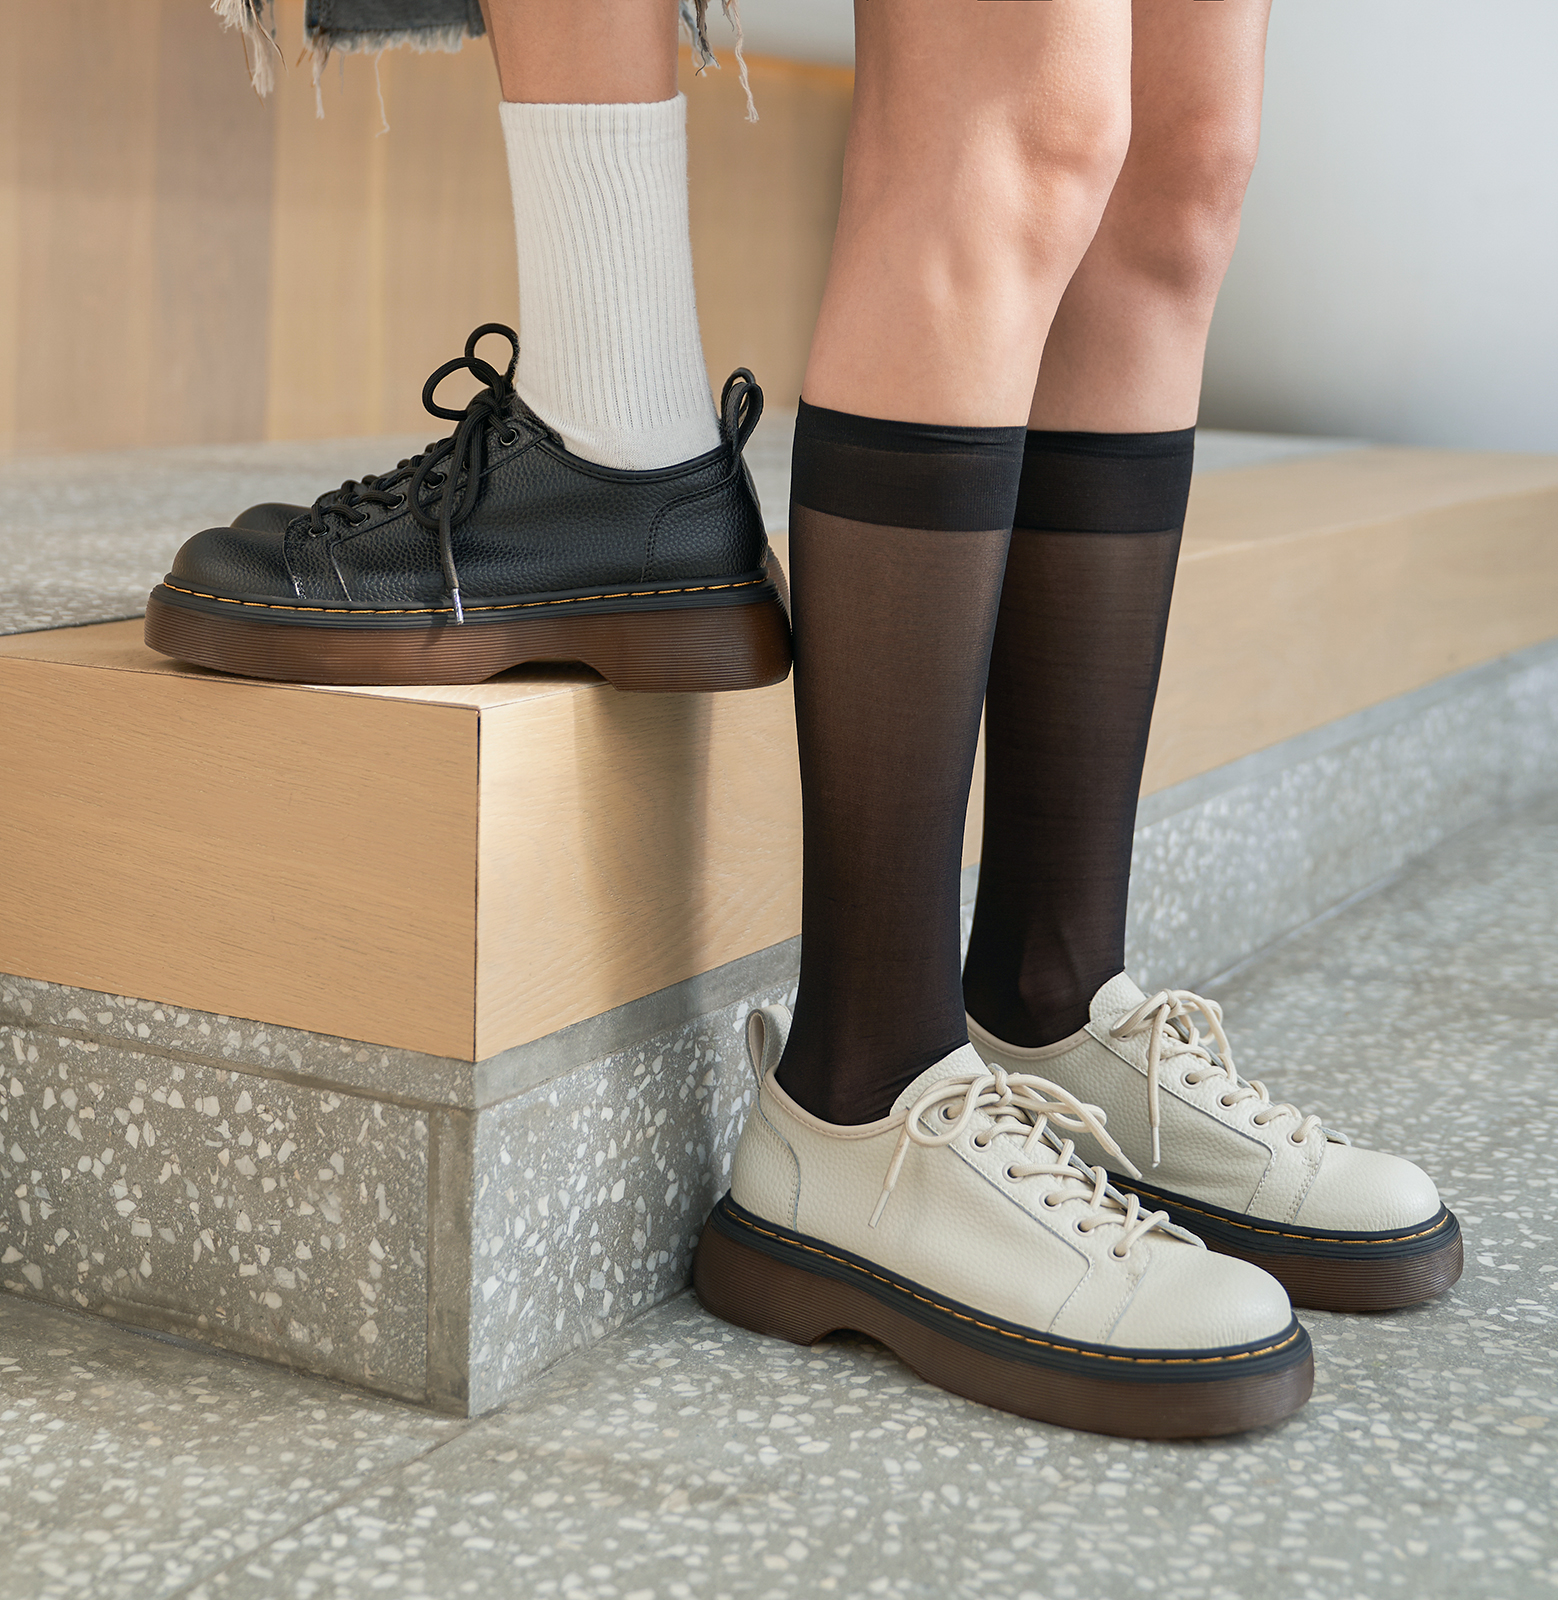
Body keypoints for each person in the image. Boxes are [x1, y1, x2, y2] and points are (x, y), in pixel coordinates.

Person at [155, 0, 1461, 1439]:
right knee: (1022, 122)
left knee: (1180, 167)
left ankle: (1047, 996)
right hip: (853, 1077)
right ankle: (864, 1085)